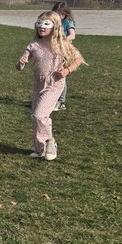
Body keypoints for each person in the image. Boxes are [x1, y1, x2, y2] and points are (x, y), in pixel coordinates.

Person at [16, 11, 85, 161]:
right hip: (38, 85)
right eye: (39, 22)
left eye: (46, 23)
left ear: (55, 26)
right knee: (36, 118)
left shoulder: (62, 44)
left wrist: (67, 70)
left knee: (39, 115)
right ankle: (40, 149)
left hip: (54, 85)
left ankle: (50, 142)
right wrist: (21, 63)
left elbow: (79, 59)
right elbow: (19, 66)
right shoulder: (33, 45)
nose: (41, 26)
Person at [52, 1, 76, 111]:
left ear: (65, 14)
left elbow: (72, 35)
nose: (58, 16)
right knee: (52, 74)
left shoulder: (67, 22)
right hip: (54, 50)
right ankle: (52, 99)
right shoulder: (52, 21)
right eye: (56, 13)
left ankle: (61, 101)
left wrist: (63, 40)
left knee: (61, 75)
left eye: (60, 14)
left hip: (65, 51)